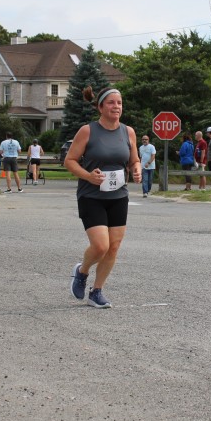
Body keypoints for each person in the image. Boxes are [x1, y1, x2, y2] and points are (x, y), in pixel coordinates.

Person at [64, 85, 141, 309]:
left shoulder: (128, 132)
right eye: (111, 103)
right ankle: (82, 271)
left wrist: (136, 169)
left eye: (119, 103)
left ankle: (96, 292)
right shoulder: (87, 131)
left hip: (118, 196)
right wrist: (89, 176)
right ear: (100, 107)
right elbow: (69, 161)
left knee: (113, 247)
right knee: (100, 246)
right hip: (91, 196)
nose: (116, 107)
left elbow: (133, 160)